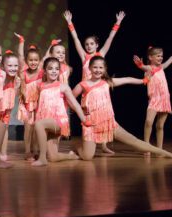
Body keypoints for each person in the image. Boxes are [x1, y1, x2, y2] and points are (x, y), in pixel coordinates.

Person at [72, 56, 172, 160]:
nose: (98, 70)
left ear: (105, 69)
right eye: (95, 67)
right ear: (90, 68)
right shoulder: (83, 85)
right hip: (91, 125)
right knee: (87, 157)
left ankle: (164, 152)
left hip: (109, 123)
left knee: (134, 141)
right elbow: (70, 99)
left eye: (101, 68)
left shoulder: (108, 82)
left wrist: (143, 80)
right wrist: (81, 112)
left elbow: (127, 79)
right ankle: (77, 146)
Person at [63, 10, 125, 154]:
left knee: (103, 114)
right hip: (86, 90)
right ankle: (86, 143)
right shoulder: (84, 56)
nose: (89, 46)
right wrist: (70, 23)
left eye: (92, 44)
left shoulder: (101, 54)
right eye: (87, 44)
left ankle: (103, 145)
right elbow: (76, 39)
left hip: (99, 89)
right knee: (89, 116)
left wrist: (117, 23)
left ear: (97, 45)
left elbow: (110, 38)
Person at [32, 57, 91, 167]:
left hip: (58, 122)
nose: (54, 71)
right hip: (46, 123)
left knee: (39, 123)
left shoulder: (63, 86)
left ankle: (42, 158)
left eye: (56, 69)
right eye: (50, 68)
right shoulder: (40, 86)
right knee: (53, 158)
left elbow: (75, 104)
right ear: (44, 71)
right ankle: (72, 156)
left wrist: (84, 119)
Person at [133, 47, 172, 154]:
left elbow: (170, 59)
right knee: (149, 121)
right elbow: (143, 67)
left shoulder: (162, 67)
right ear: (150, 57)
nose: (161, 58)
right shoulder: (149, 68)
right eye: (158, 56)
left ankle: (159, 148)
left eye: (161, 56)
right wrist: (140, 65)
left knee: (160, 125)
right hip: (154, 99)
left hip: (164, 98)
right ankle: (146, 146)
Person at [14, 33, 41, 160]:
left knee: (36, 128)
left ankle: (36, 150)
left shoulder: (42, 73)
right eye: (30, 60)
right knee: (28, 128)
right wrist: (21, 42)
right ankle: (27, 151)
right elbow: (19, 56)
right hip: (26, 104)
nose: (33, 62)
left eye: (36, 60)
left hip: (38, 104)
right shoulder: (23, 72)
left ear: (39, 61)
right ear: (26, 60)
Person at [0, 50, 20, 161]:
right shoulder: (0, 77)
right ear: (3, 66)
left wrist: (16, 87)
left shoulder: (16, 79)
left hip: (6, 108)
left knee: (5, 128)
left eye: (16, 65)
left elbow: (13, 96)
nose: (13, 68)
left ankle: (3, 153)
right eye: (10, 65)